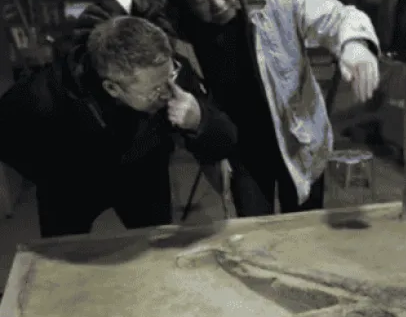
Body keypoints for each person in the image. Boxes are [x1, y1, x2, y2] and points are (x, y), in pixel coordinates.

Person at [143, 0, 381, 217]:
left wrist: (355, 45)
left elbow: (338, 17)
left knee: (305, 226)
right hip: (240, 149)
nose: (218, 3)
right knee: (252, 228)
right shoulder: (172, 28)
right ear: (181, 0)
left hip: (298, 137)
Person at [0, 16, 238, 238]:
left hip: (144, 171)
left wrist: (199, 120)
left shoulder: (166, 72)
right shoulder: (44, 96)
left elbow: (226, 141)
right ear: (112, 88)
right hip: (71, 182)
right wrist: (55, 172)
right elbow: (7, 140)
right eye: (155, 90)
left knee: (155, 246)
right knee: (64, 254)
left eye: (171, 77)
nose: (167, 93)